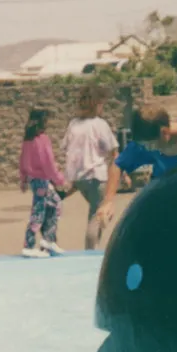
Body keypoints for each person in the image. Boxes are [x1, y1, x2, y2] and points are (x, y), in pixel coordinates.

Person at [94, 107, 177, 229]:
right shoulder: (146, 142)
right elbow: (119, 164)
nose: (147, 149)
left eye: (149, 145)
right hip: (166, 199)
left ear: (165, 133)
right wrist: (108, 201)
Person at [62, 86, 121, 250]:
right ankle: (90, 250)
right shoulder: (100, 125)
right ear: (97, 105)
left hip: (79, 178)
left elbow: (66, 148)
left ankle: (94, 246)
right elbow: (114, 151)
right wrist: (123, 174)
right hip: (97, 176)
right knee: (98, 215)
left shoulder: (73, 124)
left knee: (97, 212)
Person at [18, 108, 70, 258]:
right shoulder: (42, 139)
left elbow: (22, 160)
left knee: (53, 205)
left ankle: (48, 240)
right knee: (39, 212)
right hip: (42, 180)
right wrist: (59, 179)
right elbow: (48, 163)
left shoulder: (28, 140)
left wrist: (23, 179)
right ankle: (29, 245)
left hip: (35, 181)